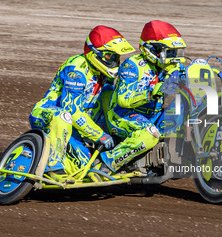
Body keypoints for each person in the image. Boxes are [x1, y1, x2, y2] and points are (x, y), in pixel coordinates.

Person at [29, 25, 135, 174]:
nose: (114, 62)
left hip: (74, 127)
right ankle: (52, 164)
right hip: (48, 114)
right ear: (95, 53)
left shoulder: (104, 74)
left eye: (116, 57)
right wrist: (99, 135)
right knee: (63, 116)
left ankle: (46, 163)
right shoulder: (77, 70)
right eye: (109, 57)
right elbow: (71, 110)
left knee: (82, 167)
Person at [100, 20, 187, 172]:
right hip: (122, 115)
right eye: (169, 52)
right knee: (150, 134)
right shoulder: (132, 65)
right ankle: (107, 162)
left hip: (153, 116)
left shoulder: (173, 66)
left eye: (175, 52)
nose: (174, 57)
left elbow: (188, 77)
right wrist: (151, 92)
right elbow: (123, 99)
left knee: (184, 109)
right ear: (152, 50)